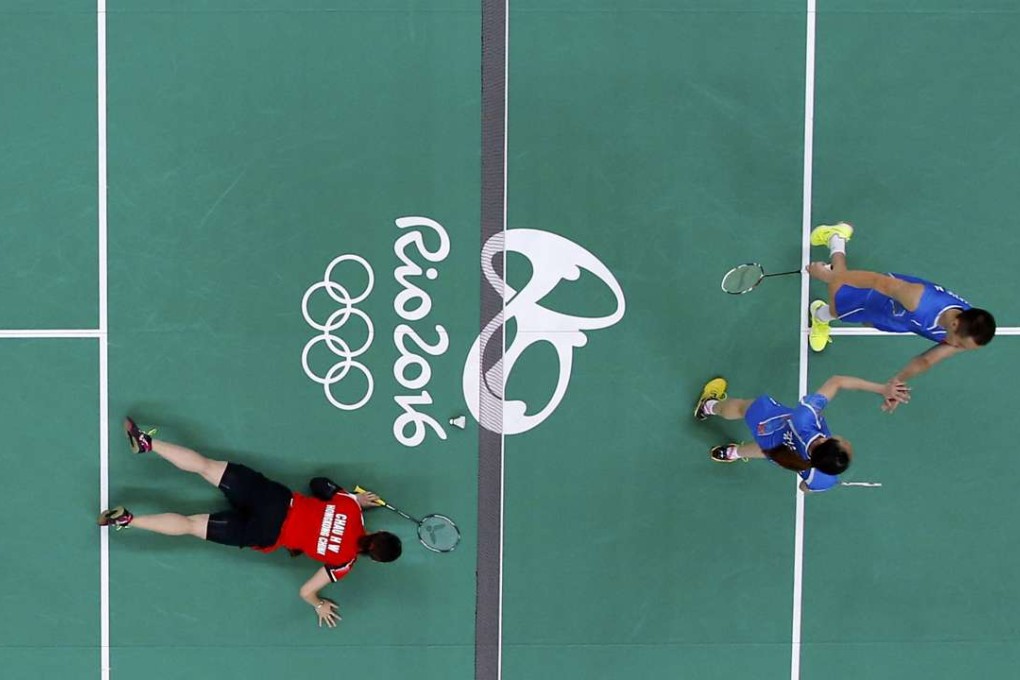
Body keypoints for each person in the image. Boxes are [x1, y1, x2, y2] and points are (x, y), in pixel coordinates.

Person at [97, 418, 401, 628]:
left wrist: (355, 499)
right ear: (372, 557)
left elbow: (318, 482)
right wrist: (318, 604)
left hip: (273, 500)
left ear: (381, 532)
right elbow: (306, 592)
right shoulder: (343, 564)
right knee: (191, 525)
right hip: (263, 533)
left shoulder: (350, 509)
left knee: (205, 466)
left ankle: (147, 443)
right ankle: (128, 519)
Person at [806, 223, 995, 409]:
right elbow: (876, 281)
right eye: (961, 345)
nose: (958, 349)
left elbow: (926, 360)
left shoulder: (964, 330)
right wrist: (829, 277)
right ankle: (836, 239)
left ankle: (827, 301)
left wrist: (895, 383)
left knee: (865, 321)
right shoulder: (918, 299)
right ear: (954, 325)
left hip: (896, 318)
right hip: (879, 295)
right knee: (838, 304)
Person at [693, 375, 910, 493]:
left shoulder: (805, 419)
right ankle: (733, 453)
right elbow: (804, 487)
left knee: (742, 408)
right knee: (767, 451)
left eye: (843, 441)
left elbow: (837, 381)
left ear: (826, 440)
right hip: (777, 451)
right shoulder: (822, 478)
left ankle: (708, 406)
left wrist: (882, 389)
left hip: (769, 424)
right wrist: (815, 486)